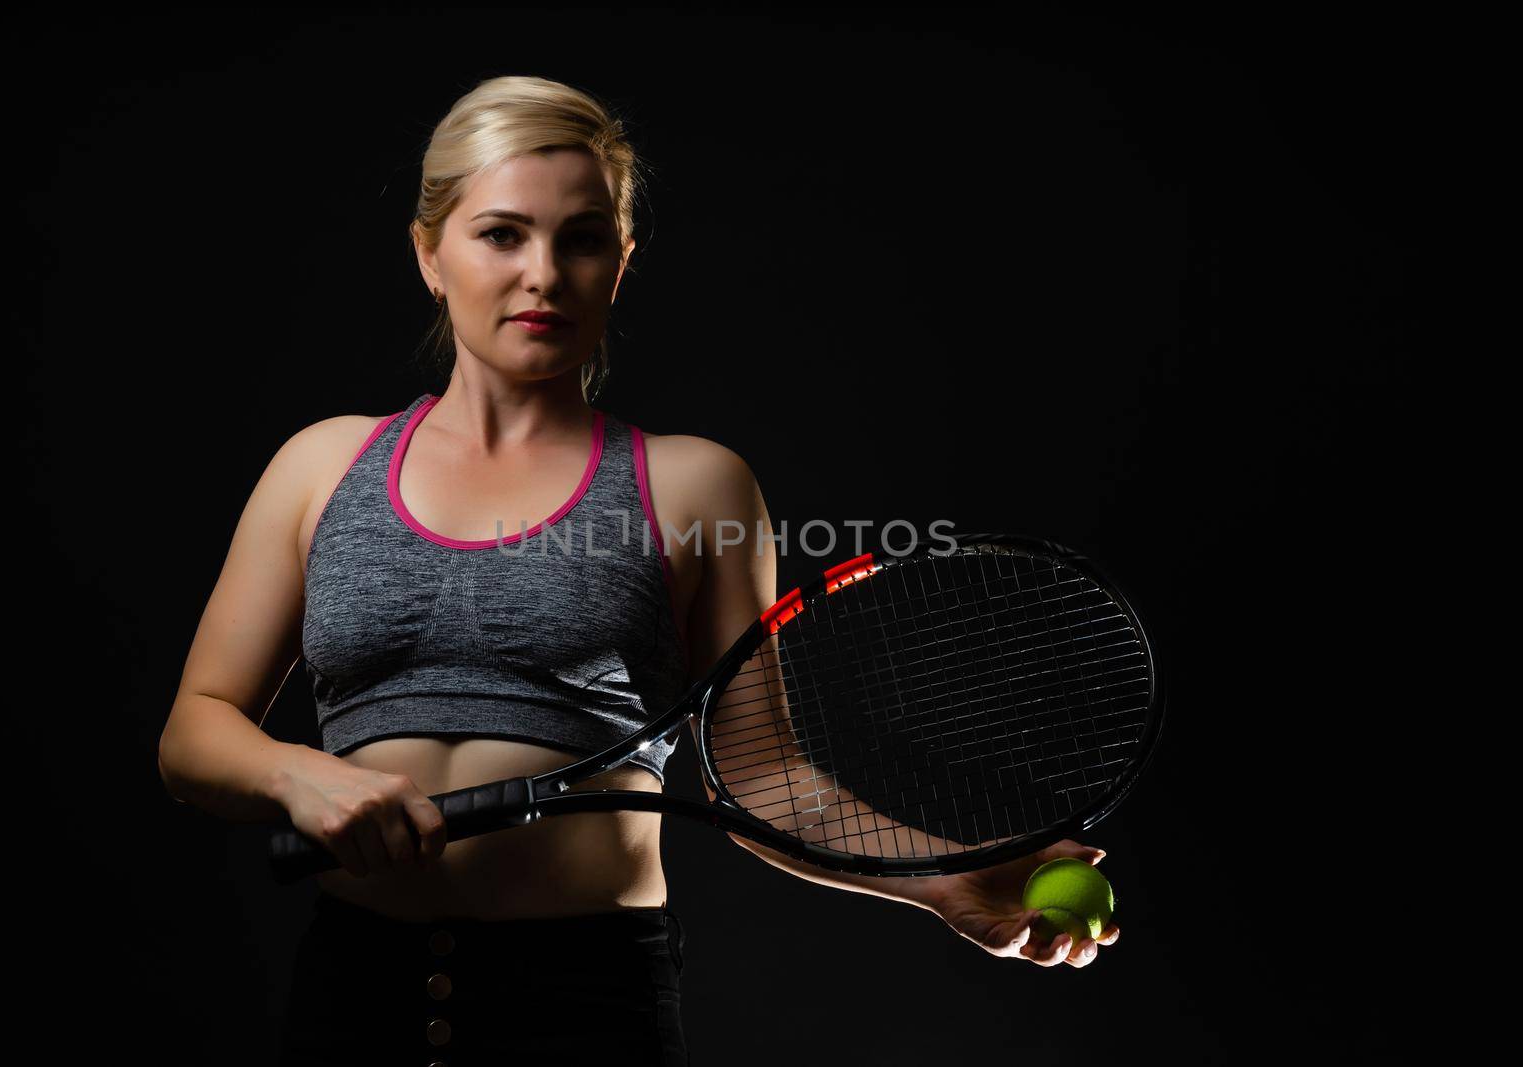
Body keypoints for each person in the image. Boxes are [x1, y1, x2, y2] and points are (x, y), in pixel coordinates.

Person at [156, 74, 1119, 1067]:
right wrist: (298, 776)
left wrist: (947, 880)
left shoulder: (695, 485)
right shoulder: (321, 465)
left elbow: (762, 776)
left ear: (617, 265)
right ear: (428, 254)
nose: (542, 273)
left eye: (579, 238)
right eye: (500, 234)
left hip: (583, 999)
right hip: (353, 993)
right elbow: (195, 730)